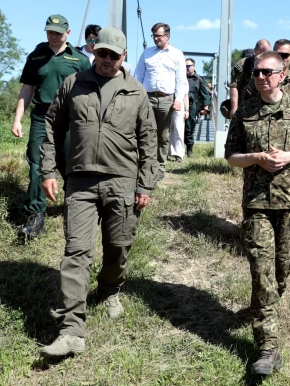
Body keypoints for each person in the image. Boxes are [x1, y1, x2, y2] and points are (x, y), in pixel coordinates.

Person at [39, 26, 157, 358]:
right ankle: (72, 331)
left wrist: (145, 183)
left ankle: (109, 291)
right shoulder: (73, 84)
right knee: (77, 251)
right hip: (79, 181)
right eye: (101, 53)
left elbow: (150, 141)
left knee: (118, 246)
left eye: (113, 55)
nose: (105, 60)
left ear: (124, 57)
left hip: (122, 181)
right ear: (94, 51)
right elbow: (52, 126)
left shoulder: (135, 92)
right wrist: (48, 170)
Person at [224, 51, 290, 376]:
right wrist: (255, 157)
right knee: (261, 272)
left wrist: (289, 157)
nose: (261, 77)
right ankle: (268, 347)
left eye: (268, 72)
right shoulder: (245, 112)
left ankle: (266, 304)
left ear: (282, 75)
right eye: (256, 73)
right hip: (256, 205)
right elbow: (231, 156)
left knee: (283, 268)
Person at [11, 14, 91, 238]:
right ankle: (35, 216)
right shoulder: (36, 57)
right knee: (37, 164)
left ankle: (75, 208)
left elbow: (90, 94)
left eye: (57, 32)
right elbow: (27, 90)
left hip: (70, 119)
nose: (53, 35)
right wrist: (17, 119)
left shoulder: (80, 60)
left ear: (68, 32)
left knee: (70, 165)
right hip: (41, 117)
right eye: (49, 31)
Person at [134, 23, 188, 180]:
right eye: (154, 36)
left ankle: (159, 168)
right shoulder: (147, 53)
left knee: (163, 135)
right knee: (143, 131)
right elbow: (138, 75)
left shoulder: (177, 54)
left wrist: (178, 100)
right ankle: (143, 165)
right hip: (147, 98)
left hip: (166, 99)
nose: (156, 39)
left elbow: (181, 80)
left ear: (167, 36)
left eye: (159, 36)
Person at [228, 39, 270, 118]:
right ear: (255, 50)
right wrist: (234, 108)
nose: (263, 56)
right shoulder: (243, 64)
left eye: (267, 53)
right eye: (261, 53)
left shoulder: (271, 64)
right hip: (245, 106)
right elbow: (234, 86)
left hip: (264, 106)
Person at [182, 58, 210, 157]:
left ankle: (189, 150)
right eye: (185, 66)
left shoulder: (199, 79)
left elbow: (205, 95)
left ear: (193, 67)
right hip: (179, 105)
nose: (186, 68)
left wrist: (205, 108)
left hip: (192, 107)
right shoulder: (180, 77)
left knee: (189, 128)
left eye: (188, 66)